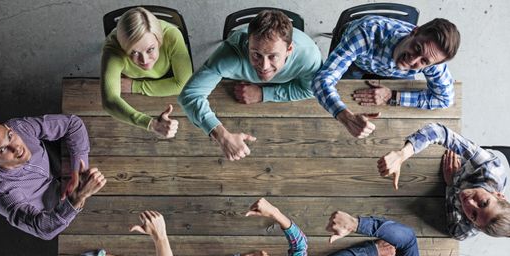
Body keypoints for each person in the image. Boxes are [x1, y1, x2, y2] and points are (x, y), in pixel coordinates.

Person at [178, 10, 322, 161]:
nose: (264, 66)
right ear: (248, 45)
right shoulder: (229, 55)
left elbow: (309, 90)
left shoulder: (309, 57)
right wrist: (222, 136)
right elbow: (190, 94)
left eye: (273, 56)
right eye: (256, 54)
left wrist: (263, 94)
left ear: (289, 50)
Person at [312, 16, 460, 138]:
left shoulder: (433, 57)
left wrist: (392, 96)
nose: (412, 60)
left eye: (424, 61)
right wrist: (346, 118)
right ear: (414, 32)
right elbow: (322, 80)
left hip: (391, 75)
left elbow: (444, 99)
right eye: (417, 48)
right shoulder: (364, 34)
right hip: (358, 62)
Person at [378, 123, 510, 240]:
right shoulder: (491, 168)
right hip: (458, 158)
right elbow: (439, 132)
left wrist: (451, 186)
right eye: (483, 203)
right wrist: (402, 154)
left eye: (474, 216)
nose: (469, 202)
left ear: (476, 226)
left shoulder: (472, 228)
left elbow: (455, 232)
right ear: (498, 195)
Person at [0, 115, 105, 239]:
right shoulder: (2, 193)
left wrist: (78, 172)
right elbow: (42, 229)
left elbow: (73, 124)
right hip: (57, 210)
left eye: (10, 136)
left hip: (59, 162)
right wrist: (76, 198)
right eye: (3, 150)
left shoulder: (19, 128)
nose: (16, 148)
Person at [101, 7, 193, 137]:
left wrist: (137, 86)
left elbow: (184, 84)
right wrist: (151, 124)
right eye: (133, 52)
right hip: (135, 80)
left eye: (150, 49)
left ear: (159, 39)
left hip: (156, 77)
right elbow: (109, 100)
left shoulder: (172, 36)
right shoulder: (113, 49)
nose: (144, 60)